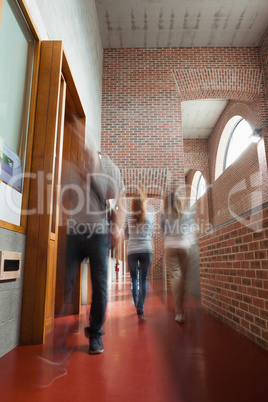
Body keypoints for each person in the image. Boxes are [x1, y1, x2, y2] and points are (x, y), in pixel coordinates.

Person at [63, 147, 125, 354]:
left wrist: (117, 227)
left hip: (98, 234)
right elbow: (63, 198)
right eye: (82, 155)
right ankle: (65, 325)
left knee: (99, 286)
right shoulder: (72, 169)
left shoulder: (110, 169)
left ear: (98, 157)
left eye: (88, 156)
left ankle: (95, 333)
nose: (84, 160)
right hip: (74, 232)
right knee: (66, 279)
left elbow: (120, 203)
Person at [161, 191, 196, 323]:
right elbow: (191, 229)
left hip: (170, 245)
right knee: (183, 278)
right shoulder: (186, 212)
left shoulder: (163, 214)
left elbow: (163, 231)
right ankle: (181, 303)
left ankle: (179, 311)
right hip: (184, 245)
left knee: (176, 277)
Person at [125, 191, 155, 322]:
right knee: (143, 280)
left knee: (134, 280)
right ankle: (140, 307)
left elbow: (126, 235)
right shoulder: (150, 216)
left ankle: (138, 306)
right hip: (146, 250)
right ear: (144, 203)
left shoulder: (128, 216)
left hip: (132, 250)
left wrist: (133, 237)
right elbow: (152, 233)